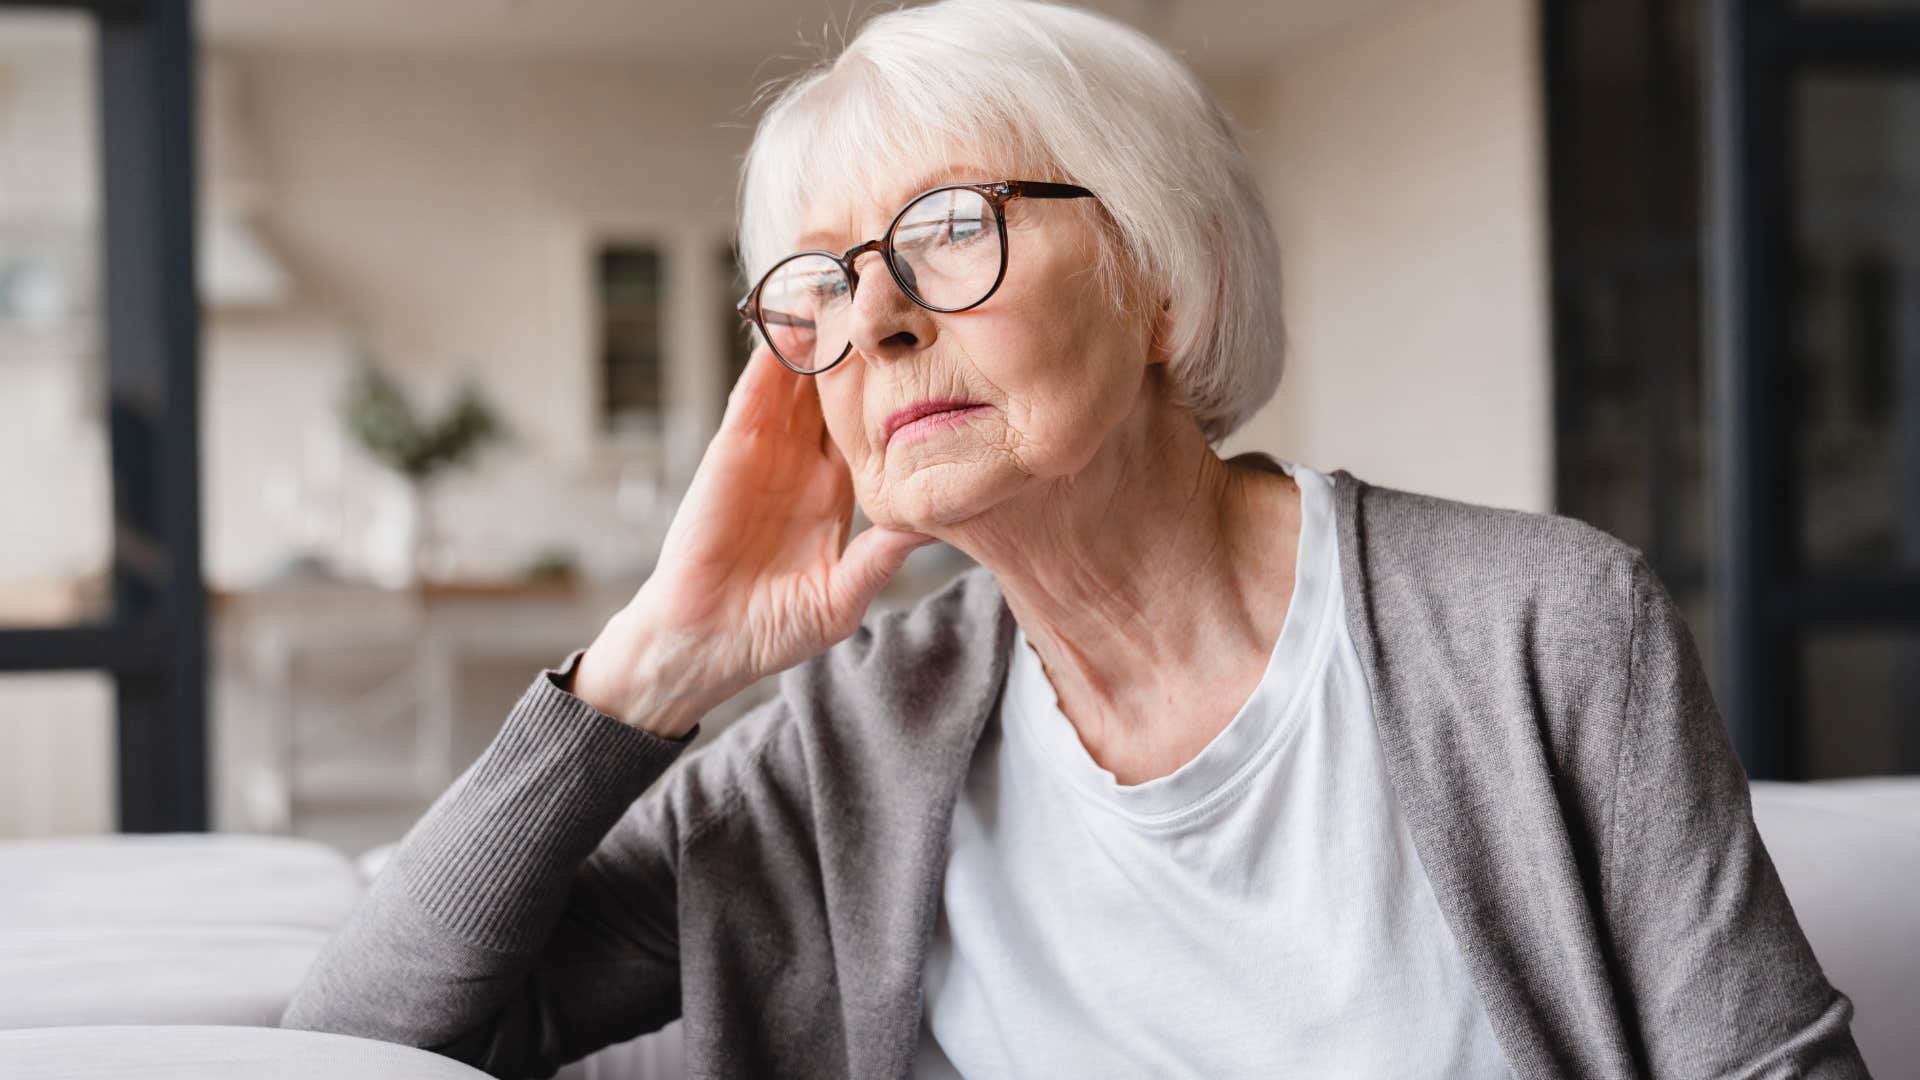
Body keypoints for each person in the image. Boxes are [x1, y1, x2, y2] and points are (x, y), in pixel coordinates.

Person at [282, 2, 1867, 1077]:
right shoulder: (849, 741)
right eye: (821, 287)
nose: (880, 316)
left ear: (1161, 280)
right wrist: (650, 666)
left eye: (951, 229)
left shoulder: (1544, 626)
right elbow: (360, 1040)